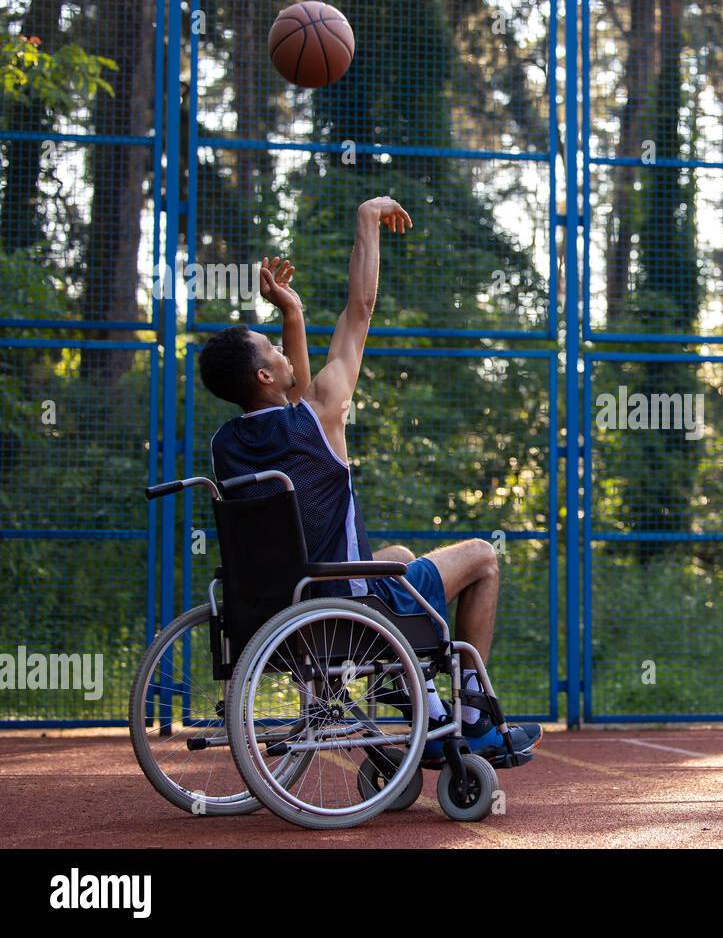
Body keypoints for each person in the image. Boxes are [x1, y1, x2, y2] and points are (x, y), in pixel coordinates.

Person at [197, 195, 540, 763]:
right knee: (482, 555)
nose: (285, 353)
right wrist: (365, 217)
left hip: (275, 610)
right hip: (341, 606)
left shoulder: (227, 443)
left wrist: (294, 313)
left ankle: (420, 701)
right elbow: (361, 309)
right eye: (275, 350)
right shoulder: (320, 413)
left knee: (400, 553)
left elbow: (293, 387)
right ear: (264, 373)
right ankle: (474, 712)